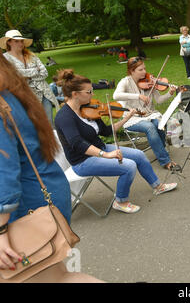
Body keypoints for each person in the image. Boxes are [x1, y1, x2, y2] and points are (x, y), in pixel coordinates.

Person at [0, 53, 102, 283]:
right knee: (59, 276)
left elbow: (3, 169)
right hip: (43, 195)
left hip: (25, 207)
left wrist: (1, 231)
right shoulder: (12, 91)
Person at [54, 69, 177, 214]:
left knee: (139, 155)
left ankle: (157, 186)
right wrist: (106, 155)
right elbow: (77, 143)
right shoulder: (64, 117)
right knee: (129, 166)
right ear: (75, 94)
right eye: (89, 92)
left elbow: (106, 131)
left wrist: (126, 118)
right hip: (83, 161)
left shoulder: (89, 108)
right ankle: (120, 201)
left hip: (101, 148)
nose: (93, 95)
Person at [113, 57, 181, 171]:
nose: (144, 72)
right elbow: (116, 95)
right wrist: (138, 96)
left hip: (149, 115)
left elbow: (159, 100)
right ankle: (165, 161)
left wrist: (170, 93)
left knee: (159, 123)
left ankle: (161, 150)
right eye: (140, 70)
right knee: (150, 127)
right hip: (132, 118)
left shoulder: (149, 81)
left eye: (144, 68)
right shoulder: (125, 82)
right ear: (131, 71)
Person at [0, 29, 59, 126]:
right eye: (16, 41)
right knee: (34, 125)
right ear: (9, 42)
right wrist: (35, 71)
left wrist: (25, 75)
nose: (20, 43)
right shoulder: (5, 58)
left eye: (21, 41)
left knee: (49, 124)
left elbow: (44, 73)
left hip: (44, 93)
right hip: (26, 95)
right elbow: (13, 76)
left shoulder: (31, 55)